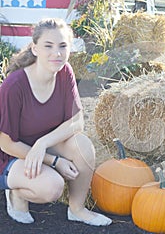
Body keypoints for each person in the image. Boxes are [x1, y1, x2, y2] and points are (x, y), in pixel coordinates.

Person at [0, 18, 112, 226]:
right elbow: (6, 143)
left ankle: (77, 209)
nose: (57, 53)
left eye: (63, 46)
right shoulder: (14, 85)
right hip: (11, 155)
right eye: (48, 46)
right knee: (52, 186)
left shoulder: (65, 72)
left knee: (83, 146)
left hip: (42, 145)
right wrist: (54, 161)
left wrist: (42, 144)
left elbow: (77, 121)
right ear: (35, 48)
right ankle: (16, 193)